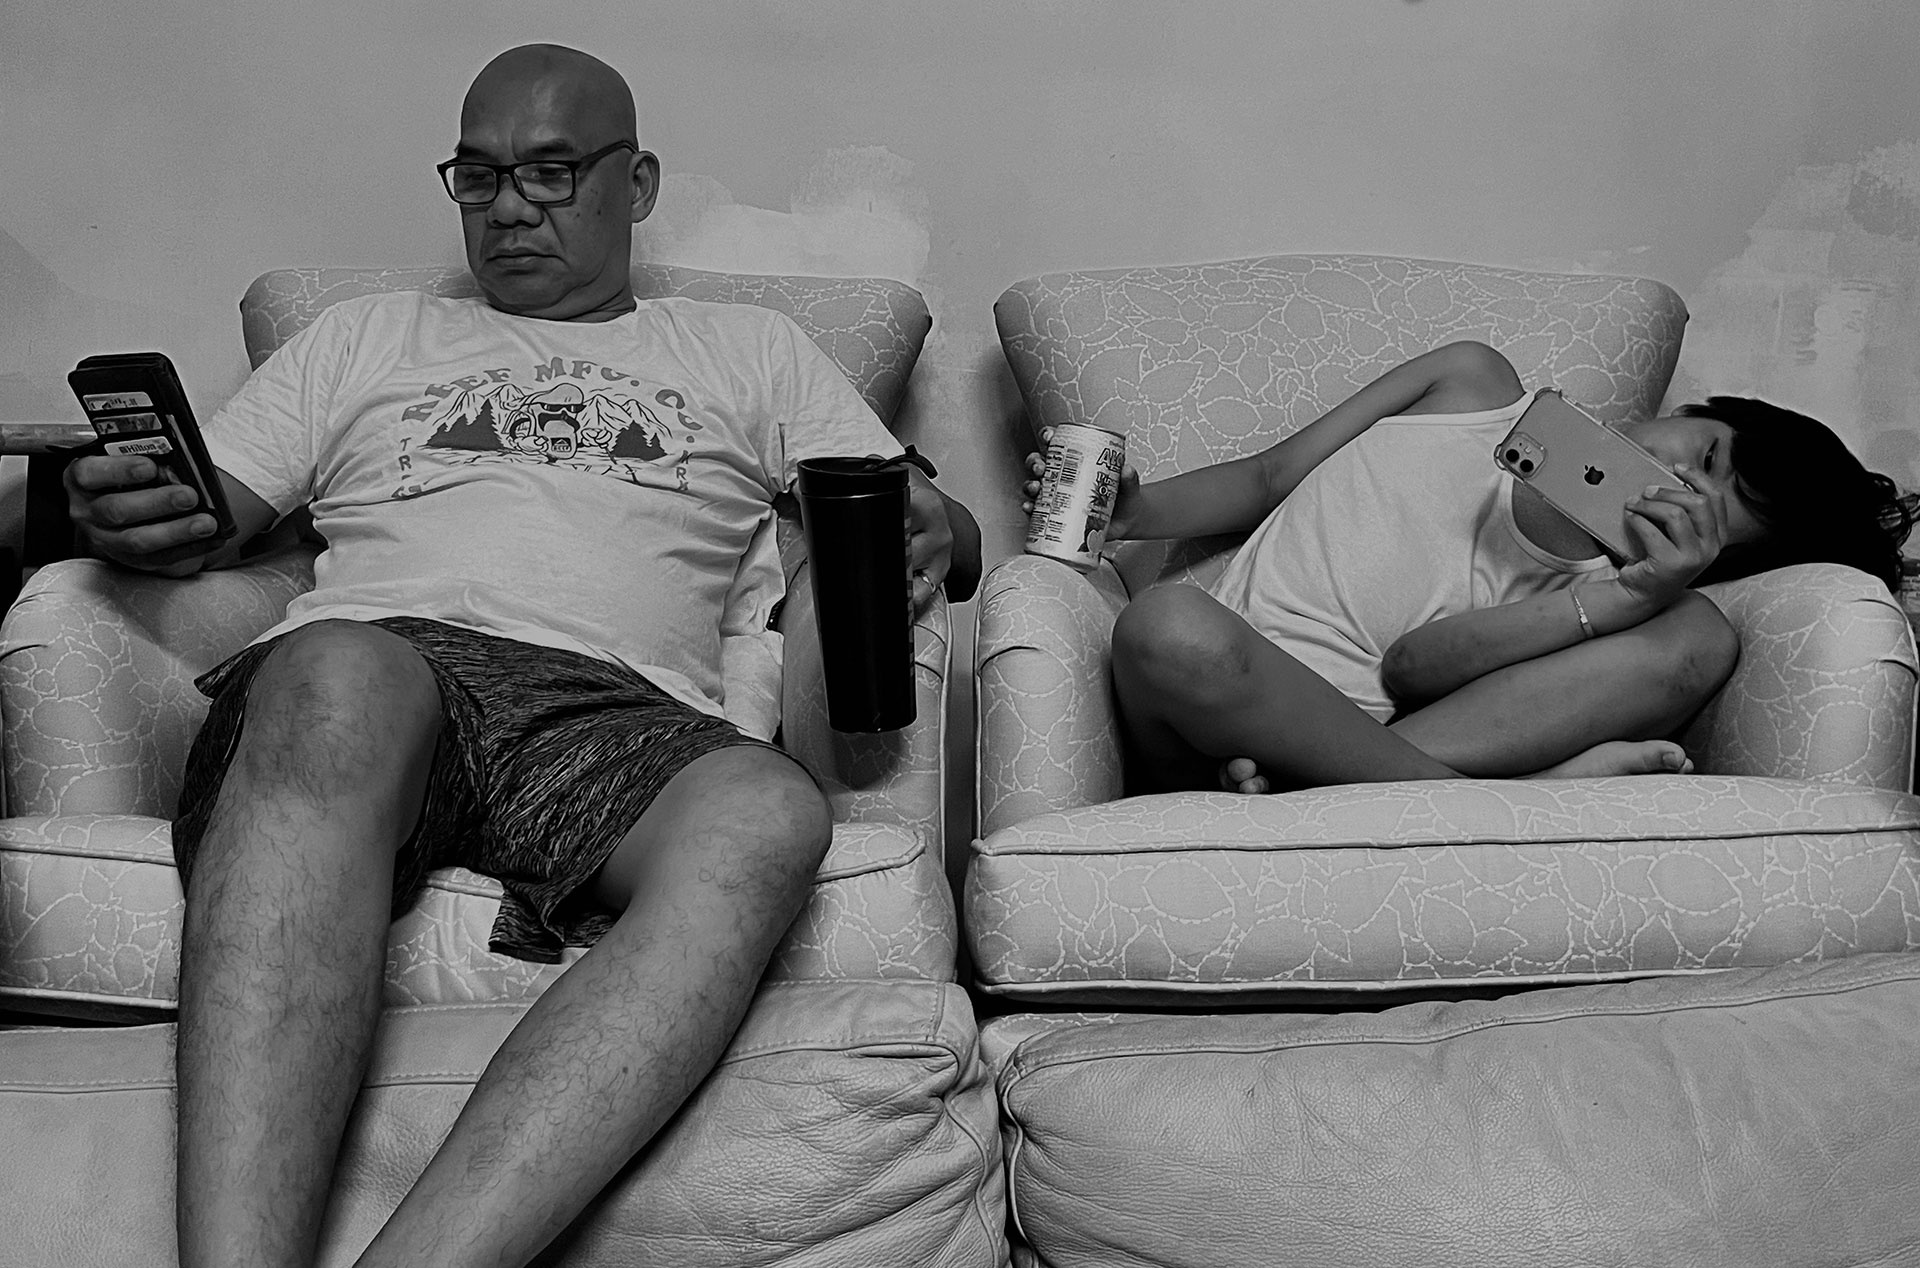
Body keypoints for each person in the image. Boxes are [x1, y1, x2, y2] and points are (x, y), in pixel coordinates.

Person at [65, 43, 979, 1268]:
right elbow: (208, 517)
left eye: (551, 172)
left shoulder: (749, 350)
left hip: (621, 712)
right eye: (479, 175)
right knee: (335, 678)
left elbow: (936, 528)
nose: (508, 207)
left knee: (765, 810)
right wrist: (131, 510)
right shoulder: (360, 337)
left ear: (637, 184)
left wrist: (938, 523)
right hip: (385, 666)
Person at [1025, 339, 1913, 795]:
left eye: (1702, 511)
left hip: (1335, 738)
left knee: (1700, 636)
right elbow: (1268, 475)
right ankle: (1501, 797)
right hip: (1206, 707)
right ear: (1689, 412)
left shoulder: (1603, 599)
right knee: (1167, 628)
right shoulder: (1468, 382)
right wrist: (1136, 515)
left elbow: (1413, 668)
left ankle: (1335, 787)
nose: (1676, 482)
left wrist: (1633, 591)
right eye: (1705, 454)